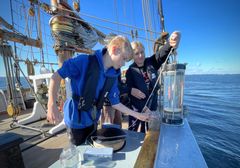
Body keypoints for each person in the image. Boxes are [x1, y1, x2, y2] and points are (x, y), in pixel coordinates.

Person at [47, 35, 152, 145]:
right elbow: (56, 76)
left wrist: (138, 115)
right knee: (79, 150)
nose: (123, 64)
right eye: (123, 58)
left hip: (93, 120)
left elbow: (116, 103)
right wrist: (51, 105)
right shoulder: (83, 61)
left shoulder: (112, 75)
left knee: (91, 148)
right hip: (76, 121)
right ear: (114, 49)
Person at [126, 31, 181, 133]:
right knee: (135, 132)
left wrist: (171, 41)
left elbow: (161, 53)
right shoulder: (130, 71)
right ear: (132, 56)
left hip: (153, 106)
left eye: (142, 52)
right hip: (138, 110)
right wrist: (144, 108)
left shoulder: (151, 62)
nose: (140, 56)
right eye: (136, 53)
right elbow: (130, 92)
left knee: (151, 132)